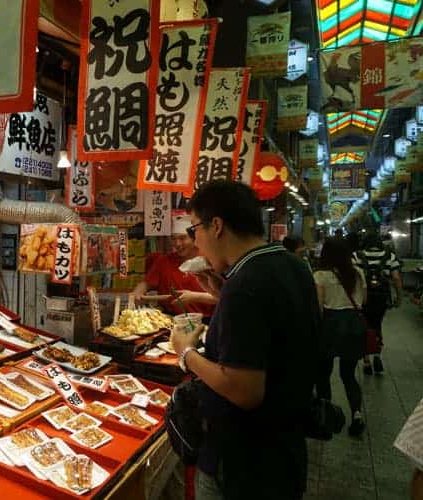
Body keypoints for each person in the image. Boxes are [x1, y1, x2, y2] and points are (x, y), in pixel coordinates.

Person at [170, 180, 318, 500]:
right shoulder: (293, 266)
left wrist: (187, 354)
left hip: (242, 463)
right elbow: (273, 332)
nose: (196, 244)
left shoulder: (246, 284)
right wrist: (221, 294)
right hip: (285, 452)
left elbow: (244, 390)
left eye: (195, 230)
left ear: (217, 226)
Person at [313, 237, 367, 436]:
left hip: (330, 325)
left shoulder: (320, 276)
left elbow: (318, 308)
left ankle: (326, 417)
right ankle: (357, 414)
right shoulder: (358, 272)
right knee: (348, 375)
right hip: (354, 325)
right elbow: (364, 300)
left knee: (323, 375)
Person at [132, 212, 216, 317]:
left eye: (182, 238)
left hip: (206, 320)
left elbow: (221, 298)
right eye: (173, 239)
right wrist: (138, 293)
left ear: (194, 238)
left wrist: (194, 296)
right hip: (171, 320)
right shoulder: (164, 261)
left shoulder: (210, 260)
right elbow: (145, 284)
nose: (177, 244)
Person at [354, 233, 403, 375]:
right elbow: (396, 279)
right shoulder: (390, 256)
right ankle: (377, 355)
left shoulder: (357, 255)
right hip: (381, 299)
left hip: (363, 297)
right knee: (377, 325)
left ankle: (366, 361)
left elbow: (353, 277)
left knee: (364, 326)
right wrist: (399, 297)